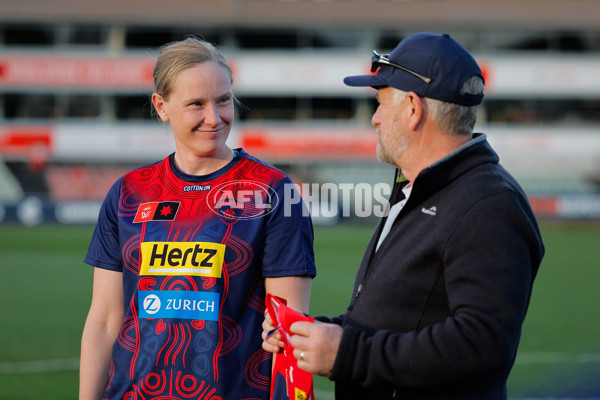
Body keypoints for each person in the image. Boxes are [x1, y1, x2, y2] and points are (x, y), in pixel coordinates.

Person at [263, 32, 545, 399]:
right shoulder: (420, 187)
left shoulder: (489, 202)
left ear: (413, 109)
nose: (375, 119)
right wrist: (315, 333)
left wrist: (346, 353)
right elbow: (397, 317)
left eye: (382, 103)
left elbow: (484, 343)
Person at [80, 37, 315, 400]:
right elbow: (105, 320)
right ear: (162, 106)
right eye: (196, 104)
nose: (214, 117)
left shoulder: (273, 192)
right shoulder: (128, 193)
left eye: (223, 100)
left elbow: (286, 331)